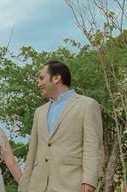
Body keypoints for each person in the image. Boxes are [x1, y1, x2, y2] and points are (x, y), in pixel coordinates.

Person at [19, 60, 103, 192]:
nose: (39, 83)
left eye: (42, 78)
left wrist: (89, 180)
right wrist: (24, 185)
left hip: (71, 184)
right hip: (38, 185)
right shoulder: (39, 112)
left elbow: (92, 146)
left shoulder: (88, 105)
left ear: (56, 78)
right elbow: (32, 152)